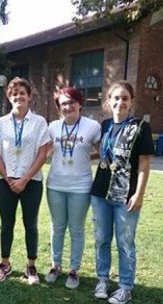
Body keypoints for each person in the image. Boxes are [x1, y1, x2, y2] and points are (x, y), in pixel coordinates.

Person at [91, 80, 154, 304]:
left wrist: (140, 194)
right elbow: (103, 153)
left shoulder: (140, 127)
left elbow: (145, 163)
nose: (120, 102)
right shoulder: (105, 125)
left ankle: (125, 286)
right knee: (101, 239)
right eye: (116, 98)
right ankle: (102, 280)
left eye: (125, 98)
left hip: (125, 195)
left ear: (132, 101)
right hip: (100, 193)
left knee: (125, 242)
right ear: (109, 101)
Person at [0, 77, 50, 285]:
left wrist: (24, 179)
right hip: (6, 182)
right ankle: (5, 263)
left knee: (30, 224)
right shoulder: (0, 123)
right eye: (14, 93)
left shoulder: (39, 122)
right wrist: (8, 178)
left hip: (31, 182)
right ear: (9, 97)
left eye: (22, 93)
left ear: (29, 97)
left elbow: (43, 153)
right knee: (6, 225)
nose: (18, 97)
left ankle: (31, 265)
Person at [45, 87, 101, 288]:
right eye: (63, 103)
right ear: (59, 107)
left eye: (71, 102)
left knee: (77, 229)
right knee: (57, 226)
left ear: (79, 104)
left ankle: (74, 270)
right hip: (55, 185)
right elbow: (45, 152)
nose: (68, 107)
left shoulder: (92, 126)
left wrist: (87, 157)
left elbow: (103, 151)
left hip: (81, 187)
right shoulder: (53, 127)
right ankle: (55, 265)